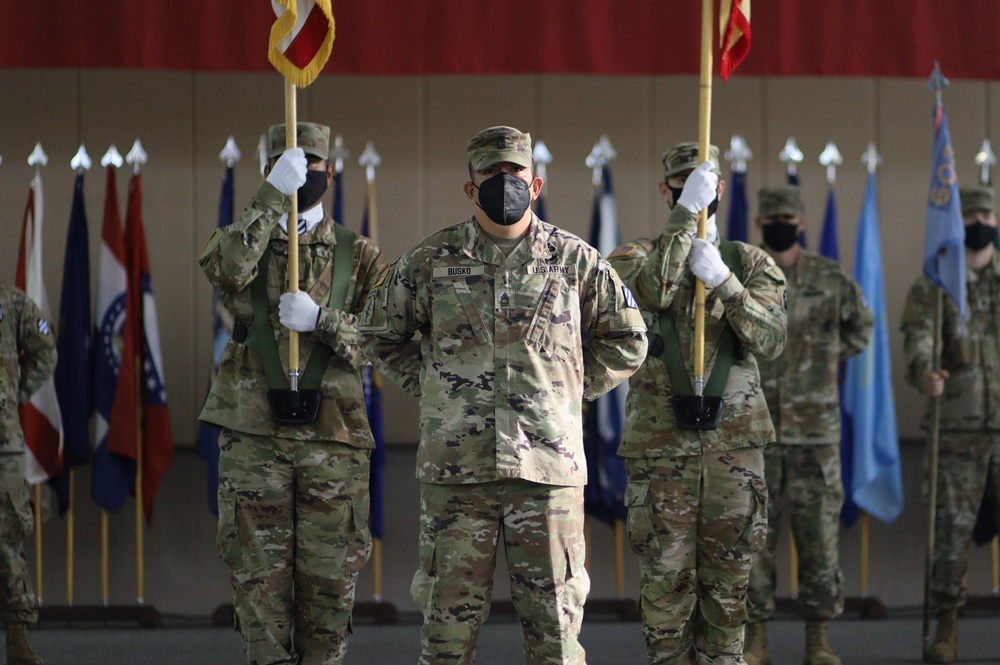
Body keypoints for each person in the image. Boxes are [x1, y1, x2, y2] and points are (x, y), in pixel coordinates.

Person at [359, 125, 647, 665]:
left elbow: (629, 339)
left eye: (513, 173)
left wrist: (567, 393)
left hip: (548, 476)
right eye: (490, 174)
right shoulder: (430, 260)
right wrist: (434, 385)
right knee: (447, 638)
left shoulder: (575, 260)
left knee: (556, 638)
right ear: (470, 189)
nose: (503, 183)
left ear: (535, 184)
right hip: (457, 476)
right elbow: (378, 333)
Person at [198, 121, 386, 665]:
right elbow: (225, 268)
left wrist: (323, 321)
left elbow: (385, 338)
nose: (305, 175)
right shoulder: (243, 240)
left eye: (312, 167)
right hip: (255, 439)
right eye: (289, 166)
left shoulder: (361, 255)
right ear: (271, 171)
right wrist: (268, 198)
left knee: (328, 594)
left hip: (334, 441)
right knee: (259, 591)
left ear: (331, 171)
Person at [609, 143, 787, 665]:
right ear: (666, 190)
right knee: (664, 598)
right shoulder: (632, 255)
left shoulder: (752, 263)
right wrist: (686, 216)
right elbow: (652, 294)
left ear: (720, 189)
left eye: (702, 183)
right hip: (661, 451)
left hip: (735, 452)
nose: (693, 189)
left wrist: (726, 284)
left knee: (730, 596)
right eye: (682, 183)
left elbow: (772, 340)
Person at [743, 185, 873, 665]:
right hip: (756, 432)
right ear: (760, 224)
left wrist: (825, 358)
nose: (780, 225)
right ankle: (755, 639)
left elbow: (861, 328)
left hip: (816, 436)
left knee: (819, 541)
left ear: (801, 223)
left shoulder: (830, 278)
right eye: (772, 217)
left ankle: (818, 639)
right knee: (753, 541)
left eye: (788, 218)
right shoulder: (743, 274)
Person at [901, 184, 1000, 664]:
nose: (979, 220)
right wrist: (925, 372)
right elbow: (917, 336)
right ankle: (946, 629)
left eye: (987, 212)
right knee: (949, 536)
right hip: (958, 429)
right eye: (971, 213)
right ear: (956, 223)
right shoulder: (935, 282)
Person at [0, 282, 57, 665]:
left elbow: (44, 350)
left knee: (8, 539)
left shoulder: (10, 301)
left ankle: (17, 639)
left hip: (2, 444)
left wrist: (13, 394)